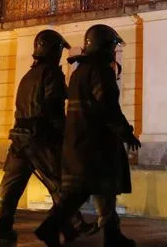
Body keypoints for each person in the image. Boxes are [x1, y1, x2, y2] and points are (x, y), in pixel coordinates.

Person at [35, 24, 138, 247]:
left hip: (79, 143)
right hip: (95, 145)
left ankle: (112, 235)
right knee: (84, 191)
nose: (113, 51)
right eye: (112, 46)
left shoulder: (79, 71)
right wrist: (126, 133)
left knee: (101, 189)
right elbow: (109, 107)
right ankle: (49, 227)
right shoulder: (101, 71)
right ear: (106, 46)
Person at [0, 29, 92, 245]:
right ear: (52, 50)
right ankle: (74, 225)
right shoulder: (52, 73)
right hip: (40, 140)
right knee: (59, 183)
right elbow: (54, 108)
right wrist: (65, 138)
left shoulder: (27, 76)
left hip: (18, 139)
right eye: (58, 50)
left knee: (10, 186)